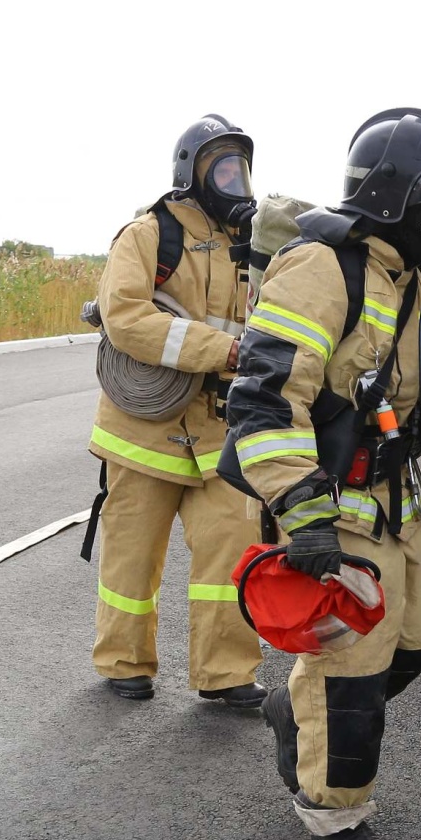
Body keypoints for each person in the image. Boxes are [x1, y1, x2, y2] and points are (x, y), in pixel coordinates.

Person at [221, 108, 421, 840]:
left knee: (417, 642)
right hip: (334, 504)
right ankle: (335, 813)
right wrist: (300, 509)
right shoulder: (323, 268)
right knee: (352, 672)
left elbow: (410, 384)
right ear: (399, 200)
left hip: (395, 502)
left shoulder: (410, 277)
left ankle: (294, 708)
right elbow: (265, 398)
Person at [88, 114, 266, 708]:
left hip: (222, 432)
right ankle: (124, 661)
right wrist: (222, 349)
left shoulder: (255, 247)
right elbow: (128, 319)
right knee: (132, 555)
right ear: (192, 170)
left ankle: (227, 673)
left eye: (240, 166)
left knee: (232, 552)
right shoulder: (146, 235)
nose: (234, 179)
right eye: (222, 166)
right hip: (146, 429)